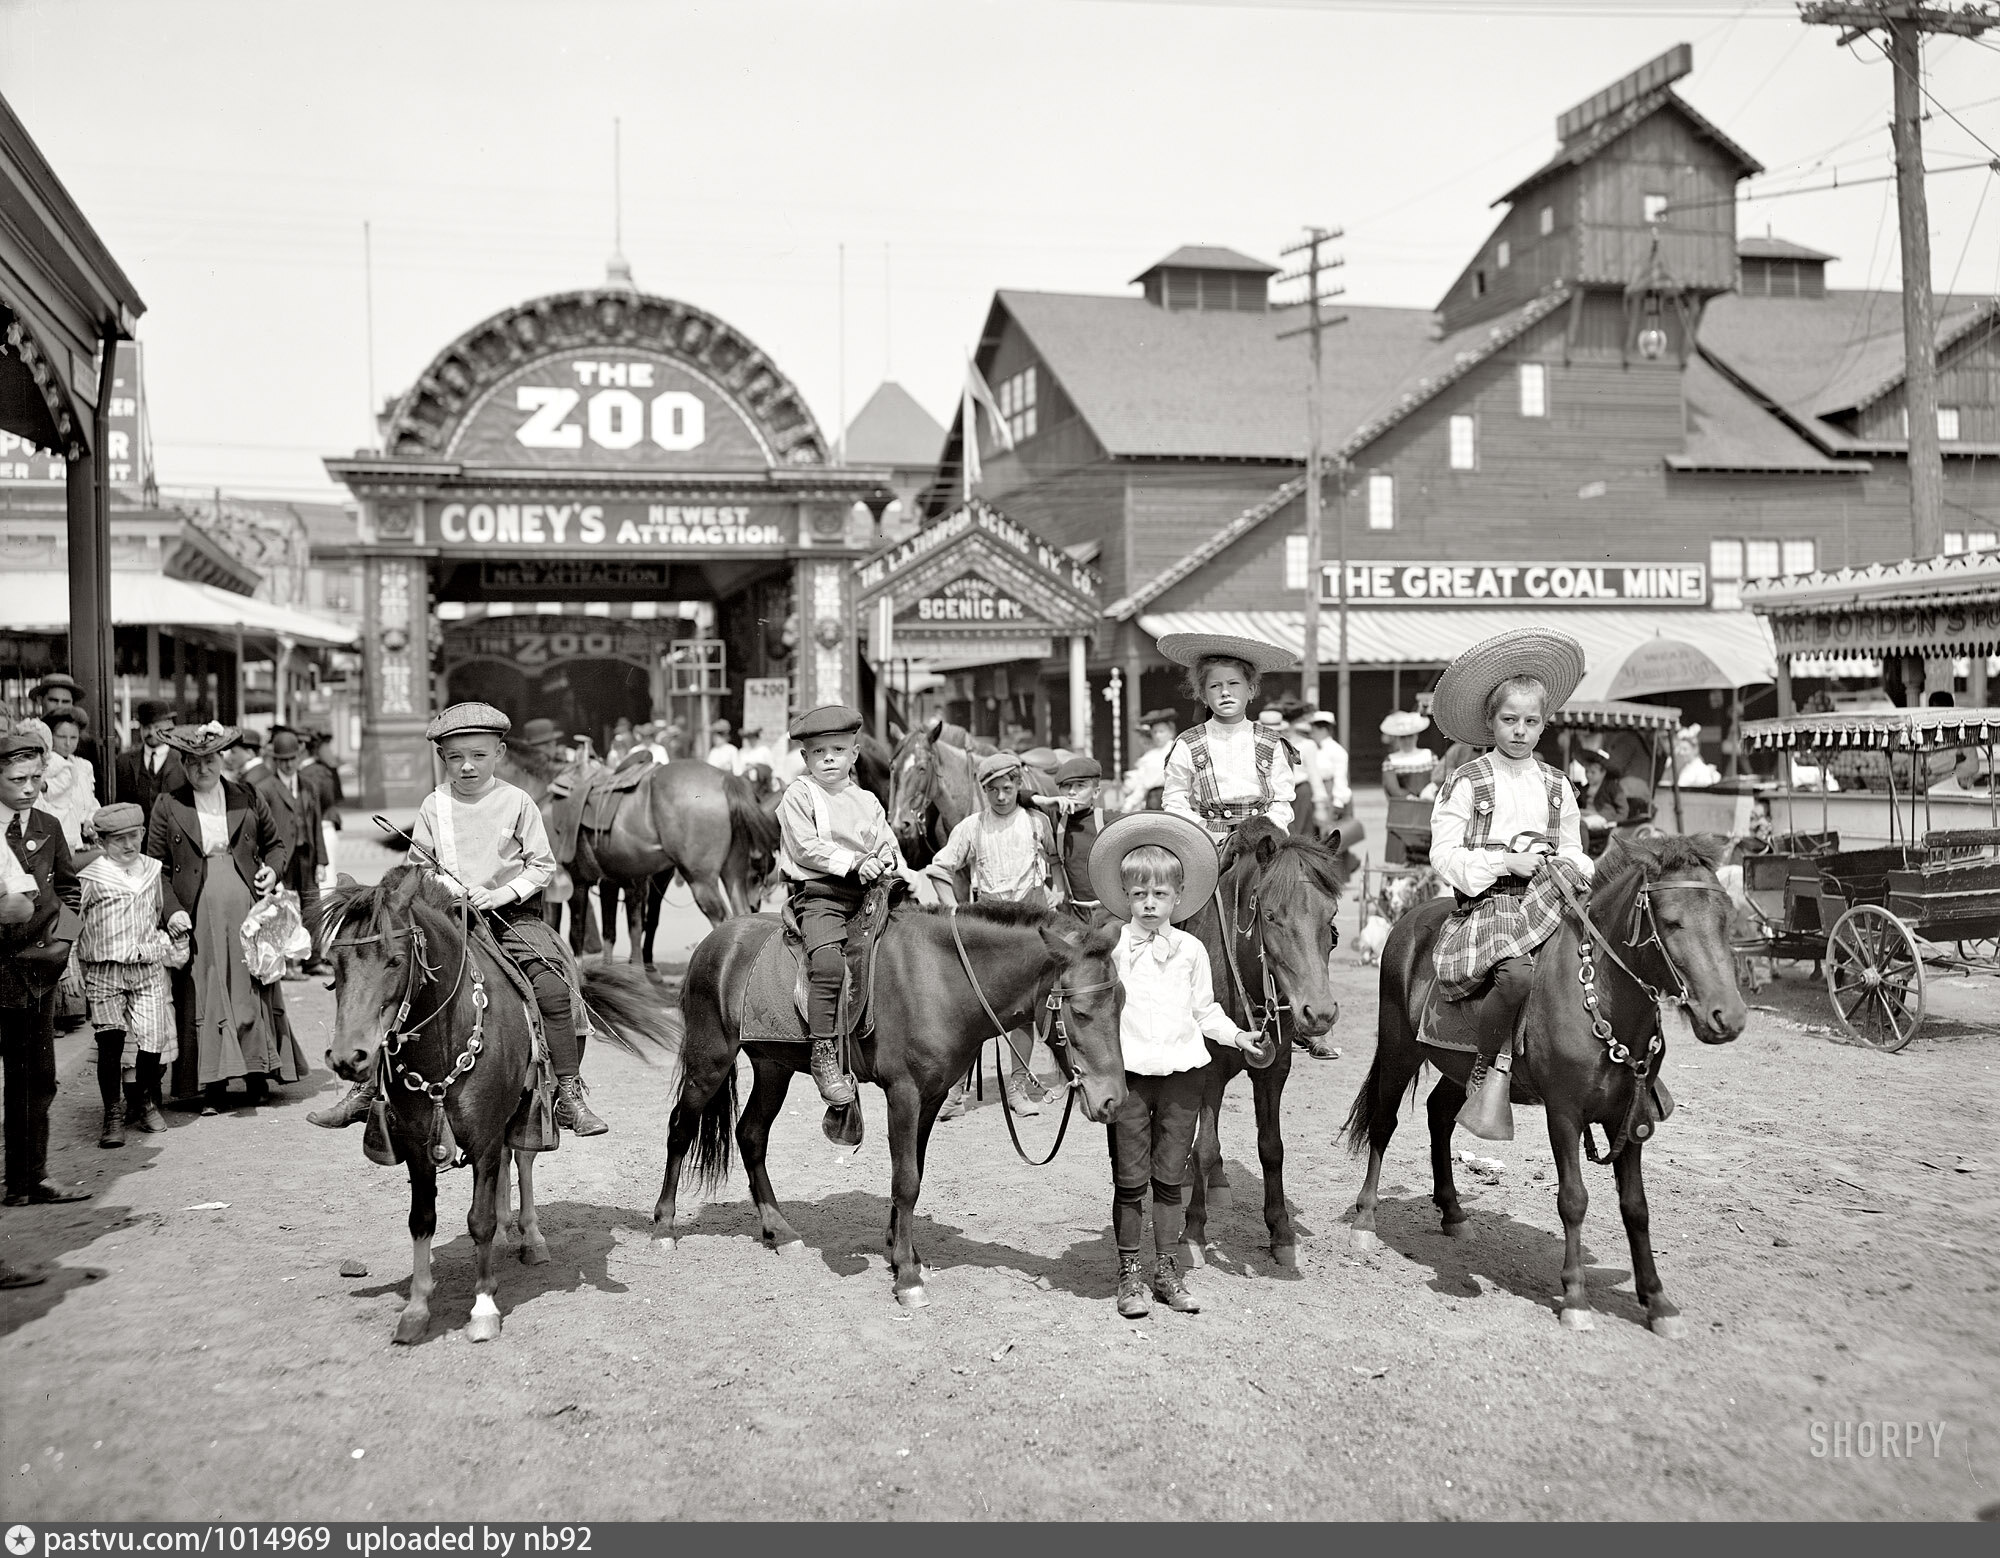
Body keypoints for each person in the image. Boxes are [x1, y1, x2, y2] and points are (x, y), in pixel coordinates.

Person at [308, 703, 607, 1137]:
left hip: (510, 916)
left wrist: (498, 893)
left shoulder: (517, 802)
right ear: (442, 759)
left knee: (551, 985)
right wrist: (446, 891)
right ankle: (368, 1091)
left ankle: (567, 1092)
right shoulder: (435, 804)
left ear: (500, 753)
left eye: (479, 756)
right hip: (445, 916)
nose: (467, 766)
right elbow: (419, 867)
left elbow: (541, 866)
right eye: (455, 757)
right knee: (394, 978)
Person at [1087, 812, 1269, 1318]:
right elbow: (1094, 1010)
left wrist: (1239, 1036)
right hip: (1131, 1079)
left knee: (1171, 1177)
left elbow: (1205, 1010)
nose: (1150, 903)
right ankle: (1129, 1276)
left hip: (1185, 1077)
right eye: (1140, 893)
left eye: (1160, 894)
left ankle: (1165, 1271)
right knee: (1130, 1178)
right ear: (1125, 895)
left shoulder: (1190, 949)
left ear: (1178, 896)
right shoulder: (1112, 947)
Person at [1427, 630, 1594, 1140]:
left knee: (1602, 962)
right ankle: (1486, 1065)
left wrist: (1571, 866)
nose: (1519, 731)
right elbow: (1445, 855)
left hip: (1549, 897)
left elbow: (1572, 846)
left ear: (1544, 724)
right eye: (1509, 720)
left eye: (1531, 722)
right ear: (1489, 722)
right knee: (1518, 977)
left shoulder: (1556, 784)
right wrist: (1506, 863)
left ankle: (1619, 1067)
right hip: (1491, 904)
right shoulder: (1468, 780)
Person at [145, 723, 307, 1114]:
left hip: (246, 907)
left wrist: (272, 869)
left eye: (210, 760)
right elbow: (157, 867)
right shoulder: (169, 804)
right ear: (183, 764)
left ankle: (256, 1073)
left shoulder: (246, 795)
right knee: (206, 987)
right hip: (197, 910)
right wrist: (173, 910)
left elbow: (275, 844)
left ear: (222, 760)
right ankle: (210, 1084)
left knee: (249, 983)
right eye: (195, 762)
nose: (204, 769)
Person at [774, 703, 916, 1106]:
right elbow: (807, 847)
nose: (829, 759)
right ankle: (823, 1054)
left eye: (838, 750)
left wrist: (889, 862)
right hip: (824, 896)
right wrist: (855, 862)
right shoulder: (800, 794)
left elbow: (886, 841)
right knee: (829, 964)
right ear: (806, 758)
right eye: (819, 752)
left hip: (870, 895)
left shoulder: (867, 799)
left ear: (854, 754)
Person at [926, 750, 1061, 1119]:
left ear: (1019, 784)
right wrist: (952, 907)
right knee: (972, 1010)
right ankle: (954, 1091)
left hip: (1029, 926)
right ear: (983, 791)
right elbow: (940, 868)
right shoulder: (971, 827)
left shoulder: (1036, 822)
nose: (1001, 797)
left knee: (1024, 1011)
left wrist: (1057, 892)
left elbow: (1056, 861)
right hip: (988, 928)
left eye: (1007, 787)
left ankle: (1017, 1085)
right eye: (993, 790)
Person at [0, 731, 84, 1208]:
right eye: (17, 779)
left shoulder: (49, 826)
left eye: (36, 778)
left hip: (36, 972)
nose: (29, 788)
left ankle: (28, 1181)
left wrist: (64, 944)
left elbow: (71, 893)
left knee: (36, 1078)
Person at [77, 802, 191, 1148]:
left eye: (134, 837)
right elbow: (74, 921)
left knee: (152, 1040)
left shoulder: (152, 870)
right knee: (111, 1042)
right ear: (102, 841)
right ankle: (112, 1112)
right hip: (105, 968)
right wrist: (73, 966)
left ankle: (142, 1100)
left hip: (146, 967)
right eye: (118, 840)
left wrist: (170, 928)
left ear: (143, 834)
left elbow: (157, 911)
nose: (128, 845)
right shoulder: (91, 877)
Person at [1156, 633, 1299, 843]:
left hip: (1263, 838)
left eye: (1233, 683)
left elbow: (1282, 799)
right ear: (1203, 696)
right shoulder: (1188, 743)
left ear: (1251, 690)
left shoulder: (1271, 742)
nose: (1225, 692)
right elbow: (1174, 798)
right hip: (1207, 838)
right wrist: (1202, 831)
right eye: (1215, 686)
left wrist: (1267, 828)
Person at [264, 730, 328, 975]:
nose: (288, 764)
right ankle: (288, 963)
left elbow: (316, 824)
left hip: (306, 855)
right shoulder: (267, 788)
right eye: (283, 760)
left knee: (312, 905)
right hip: (281, 858)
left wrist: (321, 861)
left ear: (299, 758)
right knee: (284, 908)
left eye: (292, 759)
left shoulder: (308, 785)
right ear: (276, 761)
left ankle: (312, 961)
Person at [1031, 753, 1106, 919]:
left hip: (1109, 913)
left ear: (1095, 792)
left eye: (1080, 786)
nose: (1072, 792)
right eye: (1066, 786)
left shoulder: (1107, 819)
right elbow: (1018, 798)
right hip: (1075, 912)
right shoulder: (1056, 818)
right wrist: (1046, 801)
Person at [33, 674, 103, 801]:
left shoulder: (86, 743)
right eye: (53, 700)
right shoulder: (30, 735)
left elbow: (95, 793)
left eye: (65, 702)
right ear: (40, 700)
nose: (60, 706)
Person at [116, 702, 185, 816]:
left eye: (157, 727)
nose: (152, 732)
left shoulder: (182, 760)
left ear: (169, 726)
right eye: (147, 727)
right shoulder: (124, 761)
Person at [299, 732, 345, 888]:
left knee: (325, 882)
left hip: (322, 829)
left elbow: (320, 804)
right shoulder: (318, 770)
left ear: (302, 749)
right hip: (323, 828)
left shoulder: (314, 773)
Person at [1125, 709, 1179, 810]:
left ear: (1170, 732)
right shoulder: (1149, 756)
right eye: (1155, 732)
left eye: (1161, 731)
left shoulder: (1177, 750)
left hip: (1173, 799)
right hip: (1153, 801)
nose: (1158, 735)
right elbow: (1142, 784)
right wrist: (1129, 803)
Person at [1380, 710, 1438, 800]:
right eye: (1403, 737)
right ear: (1397, 739)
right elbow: (1392, 788)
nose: (1407, 741)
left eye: (1410, 736)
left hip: (1429, 803)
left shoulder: (1429, 755)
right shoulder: (1391, 760)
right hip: (1404, 807)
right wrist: (1408, 797)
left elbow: (1437, 779)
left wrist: (1429, 792)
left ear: (1416, 736)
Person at [1673, 725, 1722, 789]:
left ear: (1695, 750)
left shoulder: (1701, 769)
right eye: (1680, 749)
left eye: (1685, 749)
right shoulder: (1684, 767)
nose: (1681, 753)